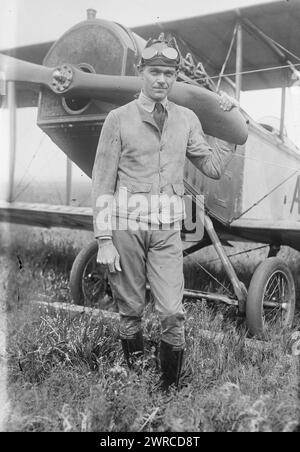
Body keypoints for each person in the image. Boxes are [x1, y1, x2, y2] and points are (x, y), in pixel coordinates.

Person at [92, 34, 238, 389]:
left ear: (175, 78)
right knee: (130, 311)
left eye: (169, 74)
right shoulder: (118, 119)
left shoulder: (186, 119)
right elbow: (102, 183)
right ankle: (140, 382)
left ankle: (169, 390)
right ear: (142, 71)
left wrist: (231, 121)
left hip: (167, 230)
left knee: (172, 311)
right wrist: (104, 239)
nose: (161, 80)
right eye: (155, 71)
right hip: (126, 227)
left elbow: (214, 167)